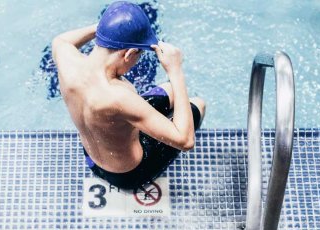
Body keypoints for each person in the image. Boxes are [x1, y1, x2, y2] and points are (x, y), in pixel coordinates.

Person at [51, 1, 206, 190]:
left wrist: (106, 28)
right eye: (139, 55)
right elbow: (186, 140)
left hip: (91, 157)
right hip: (127, 174)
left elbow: (61, 40)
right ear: (130, 53)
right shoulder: (119, 96)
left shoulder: (65, 56)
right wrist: (175, 71)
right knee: (197, 103)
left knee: (171, 90)